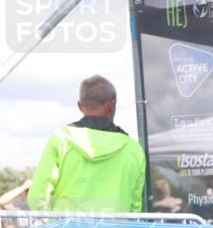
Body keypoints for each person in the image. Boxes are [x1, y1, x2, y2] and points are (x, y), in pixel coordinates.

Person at [28, 75, 145, 213]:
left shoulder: (60, 140)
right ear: (112, 104)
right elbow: (136, 207)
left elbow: (38, 196)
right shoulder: (133, 149)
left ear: (79, 106)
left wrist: (52, 226)